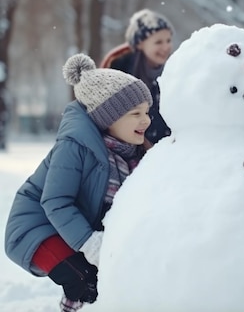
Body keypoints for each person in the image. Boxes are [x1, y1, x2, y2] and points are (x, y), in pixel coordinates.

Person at [4, 54, 153, 312]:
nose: (146, 120)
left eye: (147, 112)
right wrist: (89, 242)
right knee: (84, 280)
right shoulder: (75, 146)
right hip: (36, 227)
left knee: (108, 279)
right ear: (108, 119)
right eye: (135, 113)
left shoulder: (129, 152)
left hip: (69, 227)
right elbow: (55, 201)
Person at [100, 8, 174, 145]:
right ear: (140, 44)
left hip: (166, 153)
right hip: (129, 154)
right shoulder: (120, 75)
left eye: (168, 40)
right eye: (158, 42)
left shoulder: (175, 72)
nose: (166, 47)